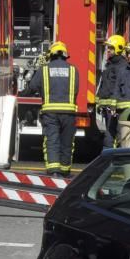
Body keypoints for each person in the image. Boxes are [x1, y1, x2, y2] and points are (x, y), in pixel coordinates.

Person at [28, 42, 79, 179]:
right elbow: (76, 90)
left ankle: (54, 171)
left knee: (52, 140)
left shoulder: (44, 69)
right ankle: (65, 170)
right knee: (67, 142)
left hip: (50, 112)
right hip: (69, 112)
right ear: (64, 54)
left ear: (52, 54)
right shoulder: (73, 70)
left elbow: (32, 87)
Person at [96, 34, 127, 148]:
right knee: (109, 134)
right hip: (108, 107)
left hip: (114, 108)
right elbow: (105, 84)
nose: (108, 50)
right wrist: (99, 99)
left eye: (111, 48)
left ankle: (111, 157)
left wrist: (114, 105)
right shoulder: (111, 64)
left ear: (118, 48)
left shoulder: (121, 66)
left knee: (111, 135)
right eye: (108, 48)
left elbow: (117, 87)